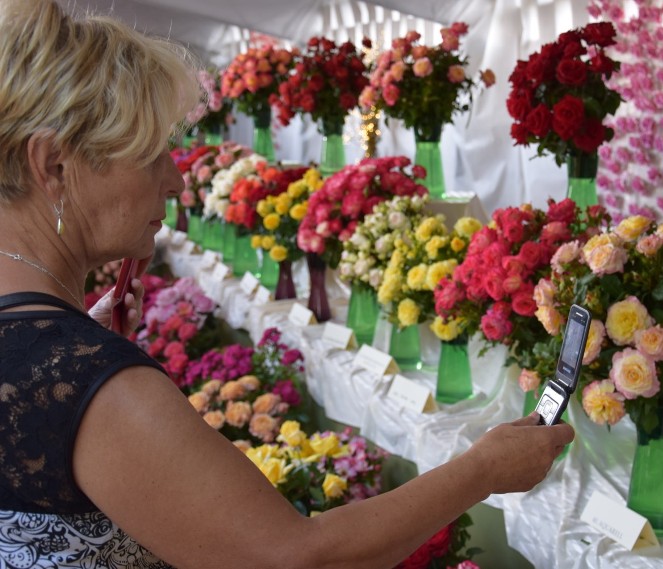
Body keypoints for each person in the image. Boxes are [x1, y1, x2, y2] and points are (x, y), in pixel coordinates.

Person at [0, 1, 575, 567]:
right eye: (151, 155)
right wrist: (484, 470)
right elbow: (295, 559)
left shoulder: (56, 357)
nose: (175, 180)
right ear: (54, 166)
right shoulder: (87, 383)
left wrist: (80, 340)